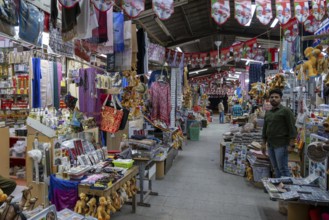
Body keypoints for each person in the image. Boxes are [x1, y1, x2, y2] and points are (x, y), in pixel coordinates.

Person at [262, 89, 297, 178]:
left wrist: (291, 144)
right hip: (270, 145)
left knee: (283, 168)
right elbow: (265, 128)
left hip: (281, 145)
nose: (273, 99)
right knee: (275, 168)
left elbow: (292, 128)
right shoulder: (268, 113)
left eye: (276, 97)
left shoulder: (286, 111)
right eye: (272, 97)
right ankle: (279, 187)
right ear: (269, 99)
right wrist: (263, 143)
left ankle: (288, 189)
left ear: (280, 99)